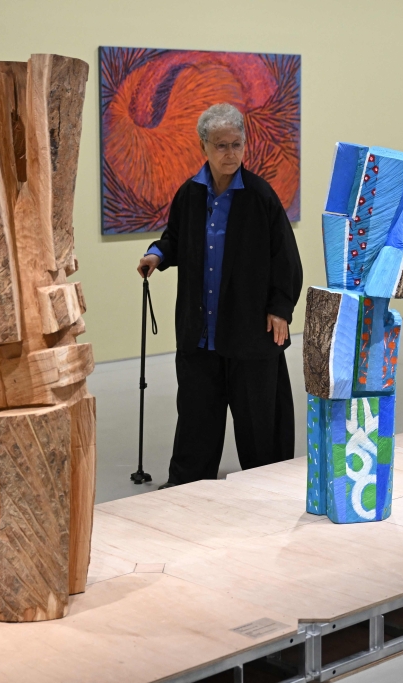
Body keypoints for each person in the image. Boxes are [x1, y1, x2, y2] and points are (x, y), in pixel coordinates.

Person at [137, 103, 303, 488]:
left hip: (249, 331)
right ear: (204, 148)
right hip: (200, 332)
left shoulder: (261, 196)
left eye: (236, 144)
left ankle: (270, 483)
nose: (230, 154)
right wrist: (157, 255)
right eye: (221, 146)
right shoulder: (190, 194)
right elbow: (175, 238)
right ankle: (188, 484)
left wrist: (281, 308)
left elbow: (286, 258)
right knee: (197, 414)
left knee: (260, 418)